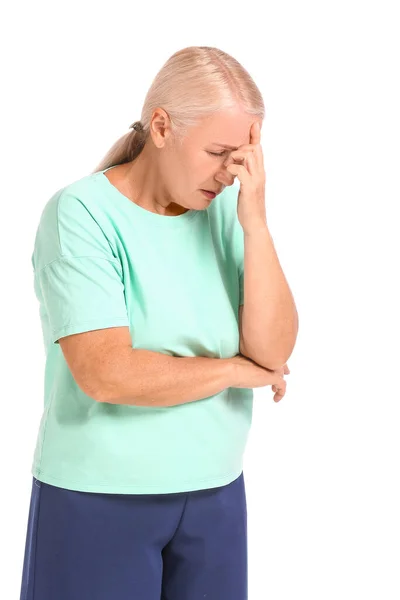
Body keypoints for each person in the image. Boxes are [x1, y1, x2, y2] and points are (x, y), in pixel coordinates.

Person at [19, 45, 293, 600]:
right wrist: (232, 372)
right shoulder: (81, 214)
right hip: (97, 497)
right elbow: (107, 373)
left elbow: (274, 349)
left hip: (215, 493)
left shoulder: (227, 212)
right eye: (218, 151)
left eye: (241, 157)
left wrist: (256, 222)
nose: (228, 173)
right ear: (162, 127)